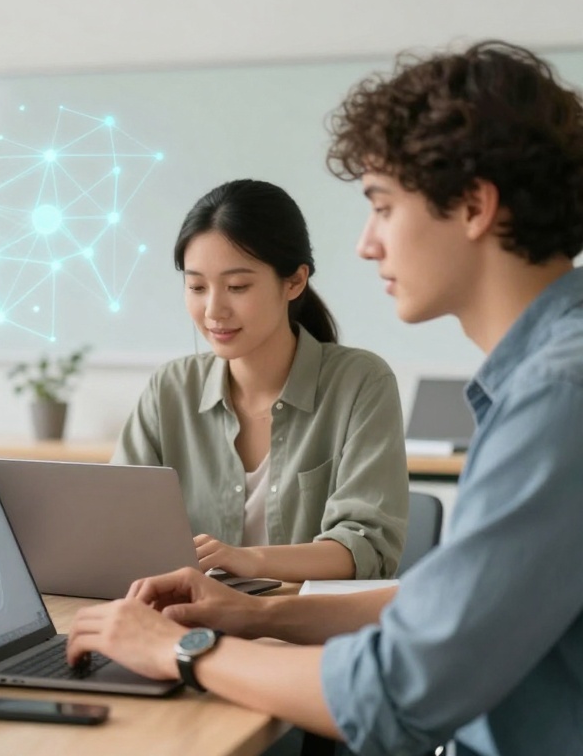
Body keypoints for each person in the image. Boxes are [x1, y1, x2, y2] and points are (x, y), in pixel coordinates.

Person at [67, 41, 583, 755]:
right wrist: (248, 619)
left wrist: (185, 651)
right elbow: (449, 612)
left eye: (381, 206)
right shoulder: (546, 378)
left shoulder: (560, 397)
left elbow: (396, 692)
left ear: (473, 206)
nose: (368, 244)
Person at [113, 179, 408, 581]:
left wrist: (247, 559)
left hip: (305, 631)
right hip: (187, 625)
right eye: (197, 286)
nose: (213, 310)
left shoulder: (361, 383)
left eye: (237, 286)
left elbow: (367, 547)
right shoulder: (170, 389)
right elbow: (118, 527)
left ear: (294, 282)